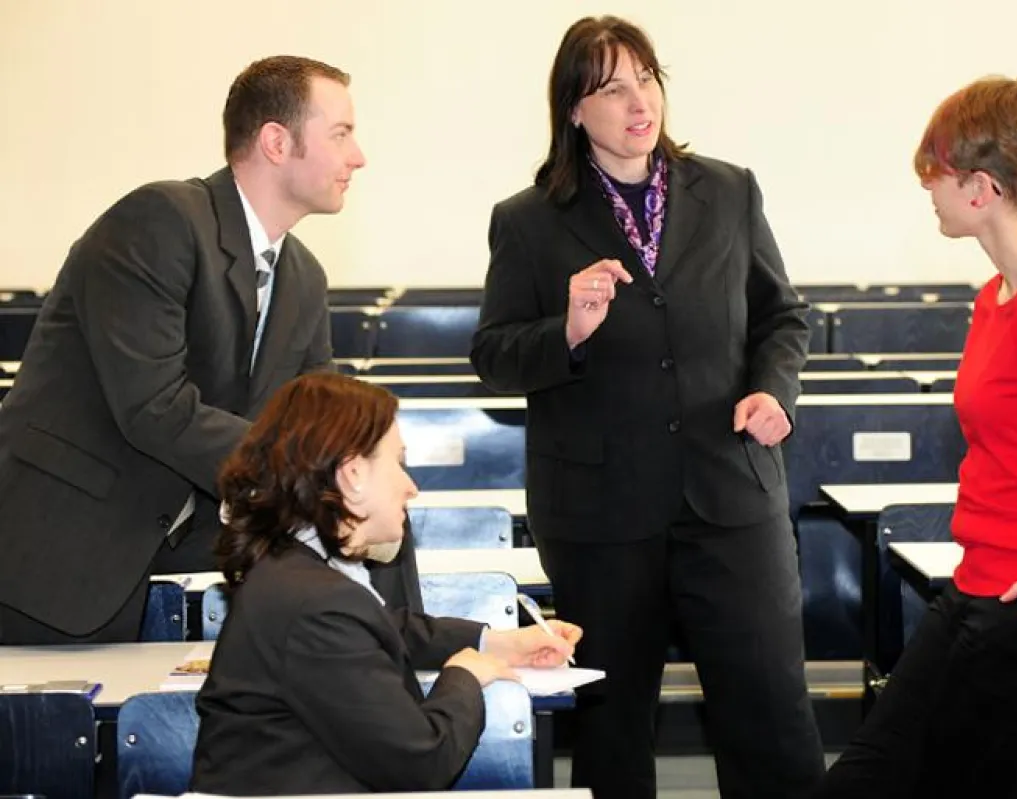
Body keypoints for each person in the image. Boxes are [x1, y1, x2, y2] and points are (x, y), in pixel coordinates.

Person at [470, 15, 825, 799]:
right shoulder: (529, 220)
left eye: (648, 79)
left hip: (731, 493)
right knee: (614, 726)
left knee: (771, 713)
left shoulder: (728, 190)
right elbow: (492, 356)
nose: (639, 102)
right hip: (600, 510)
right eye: (612, 88)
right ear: (573, 109)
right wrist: (565, 330)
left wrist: (774, 389)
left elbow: (781, 317)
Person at [813, 77, 1017, 799]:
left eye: (935, 171)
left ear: (981, 188)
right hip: (980, 585)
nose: (926, 187)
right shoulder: (997, 296)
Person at [0, 56, 376, 644]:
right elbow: (156, 407)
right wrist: (317, 470)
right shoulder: (160, 221)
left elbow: (314, 419)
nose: (358, 157)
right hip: (59, 555)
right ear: (277, 142)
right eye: (341, 134)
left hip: (182, 562)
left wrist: (357, 467)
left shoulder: (303, 276)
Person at [190, 372, 582, 794]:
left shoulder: (298, 572)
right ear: (353, 475)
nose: (411, 487)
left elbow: (380, 630)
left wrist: (498, 643)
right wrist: (463, 677)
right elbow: (423, 762)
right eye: (397, 462)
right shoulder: (317, 603)